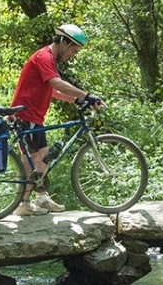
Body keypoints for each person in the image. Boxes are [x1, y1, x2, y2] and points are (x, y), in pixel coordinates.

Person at [10, 24, 103, 216]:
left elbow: (51, 90)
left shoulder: (49, 59)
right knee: (30, 161)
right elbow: (57, 83)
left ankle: (41, 199)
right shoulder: (44, 57)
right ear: (64, 42)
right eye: (73, 50)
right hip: (25, 115)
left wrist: (76, 99)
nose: (72, 55)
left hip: (34, 116)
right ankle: (22, 204)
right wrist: (86, 95)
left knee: (42, 158)